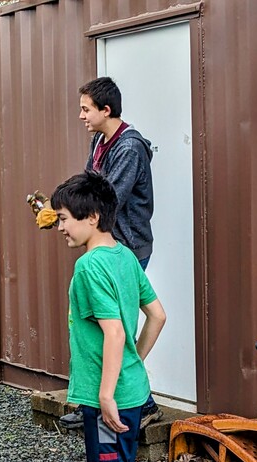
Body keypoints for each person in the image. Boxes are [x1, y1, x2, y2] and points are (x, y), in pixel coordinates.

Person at [50, 171, 166, 462]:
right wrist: (134, 365)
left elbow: (114, 333)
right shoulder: (126, 257)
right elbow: (157, 316)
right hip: (131, 392)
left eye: (64, 218)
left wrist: (104, 393)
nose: (59, 226)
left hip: (109, 402)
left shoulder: (89, 266)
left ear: (92, 216)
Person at [61, 77, 162, 431]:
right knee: (104, 326)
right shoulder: (100, 141)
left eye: (86, 109)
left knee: (115, 327)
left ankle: (135, 401)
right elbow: (88, 188)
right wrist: (64, 211)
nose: (81, 115)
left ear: (107, 110)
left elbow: (108, 198)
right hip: (109, 244)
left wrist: (73, 214)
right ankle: (103, 398)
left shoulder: (129, 148)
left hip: (128, 246)